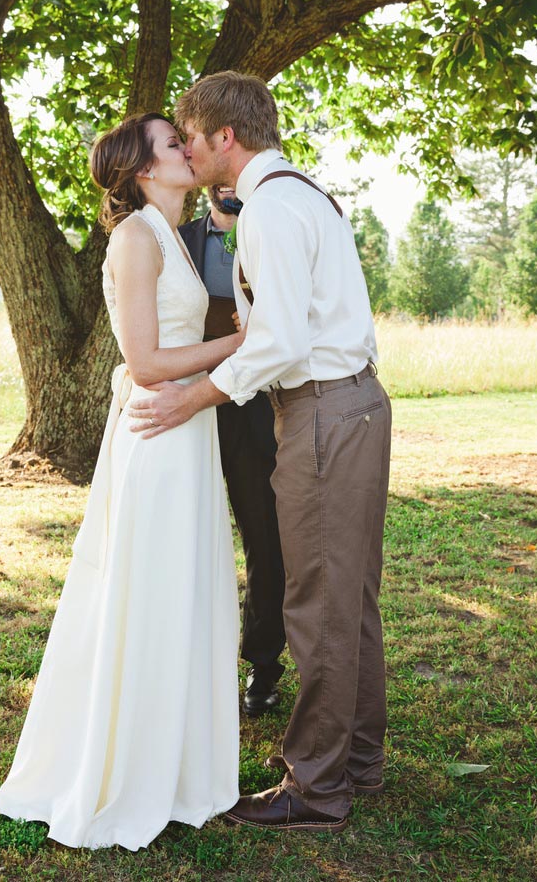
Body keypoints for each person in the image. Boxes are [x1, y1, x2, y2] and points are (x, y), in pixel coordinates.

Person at [129, 73, 392, 834]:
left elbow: (280, 339)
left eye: (191, 135)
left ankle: (315, 786)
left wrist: (198, 394)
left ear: (225, 139)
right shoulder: (295, 194)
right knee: (351, 598)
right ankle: (359, 761)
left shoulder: (272, 209)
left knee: (315, 599)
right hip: (355, 405)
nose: (187, 147)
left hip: (320, 414)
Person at [0, 113, 243, 851]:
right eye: (174, 144)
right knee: (154, 592)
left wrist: (231, 219)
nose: (188, 150)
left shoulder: (176, 233)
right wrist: (247, 341)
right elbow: (144, 362)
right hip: (159, 433)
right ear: (143, 170)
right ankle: (128, 772)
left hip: (185, 431)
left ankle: (175, 767)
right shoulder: (135, 238)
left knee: (184, 591)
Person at [179, 186, 286, 716]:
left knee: (264, 534)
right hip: (186, 401)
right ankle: (181, 666)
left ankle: (263, 667)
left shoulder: (273, 230)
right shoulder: (177, 240)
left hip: (252, 402)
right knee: (184, 539)